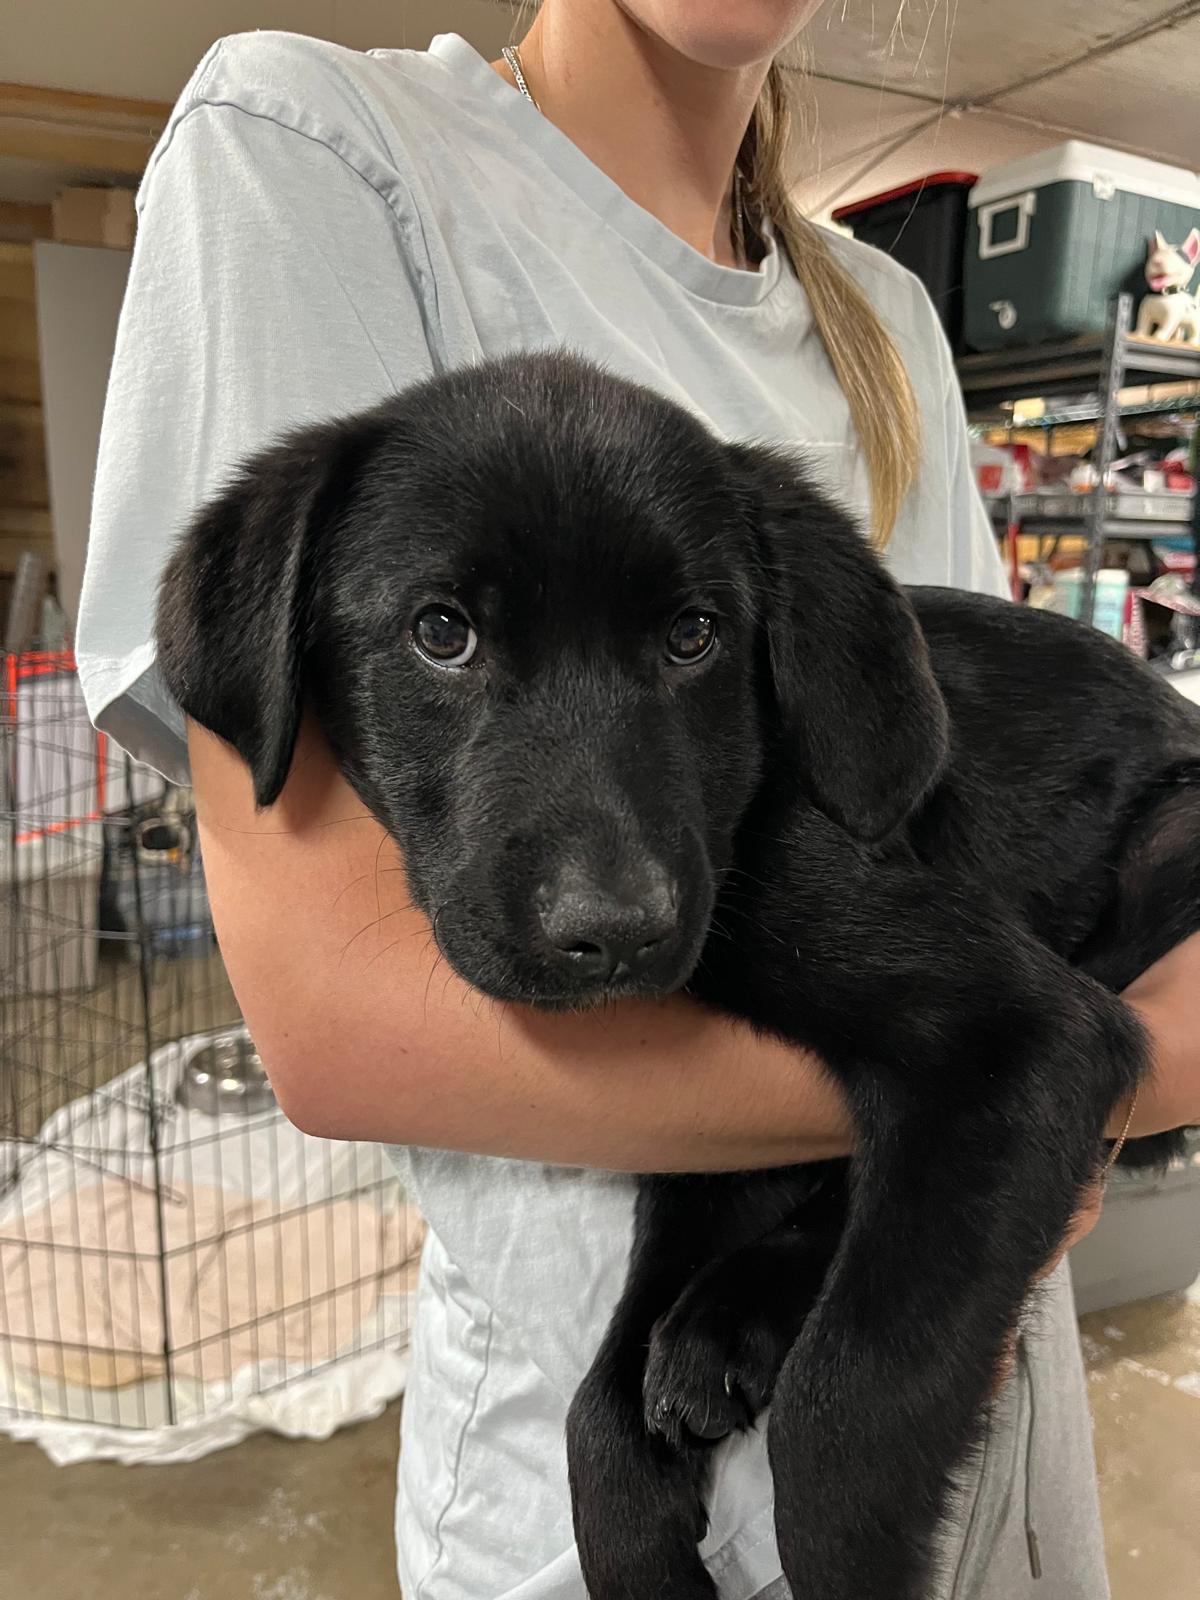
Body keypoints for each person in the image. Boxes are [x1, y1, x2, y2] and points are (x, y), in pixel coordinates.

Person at [77, 4, 1200, 1597]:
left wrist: (1041, 1084)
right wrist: (1031, 1083)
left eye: (688, 641)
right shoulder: (314, 146)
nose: (611, 890)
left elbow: (963, 893)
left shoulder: (889, 318)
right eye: (446, 633)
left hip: (970, 1382)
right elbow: (340, 1026)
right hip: (574, 1479)